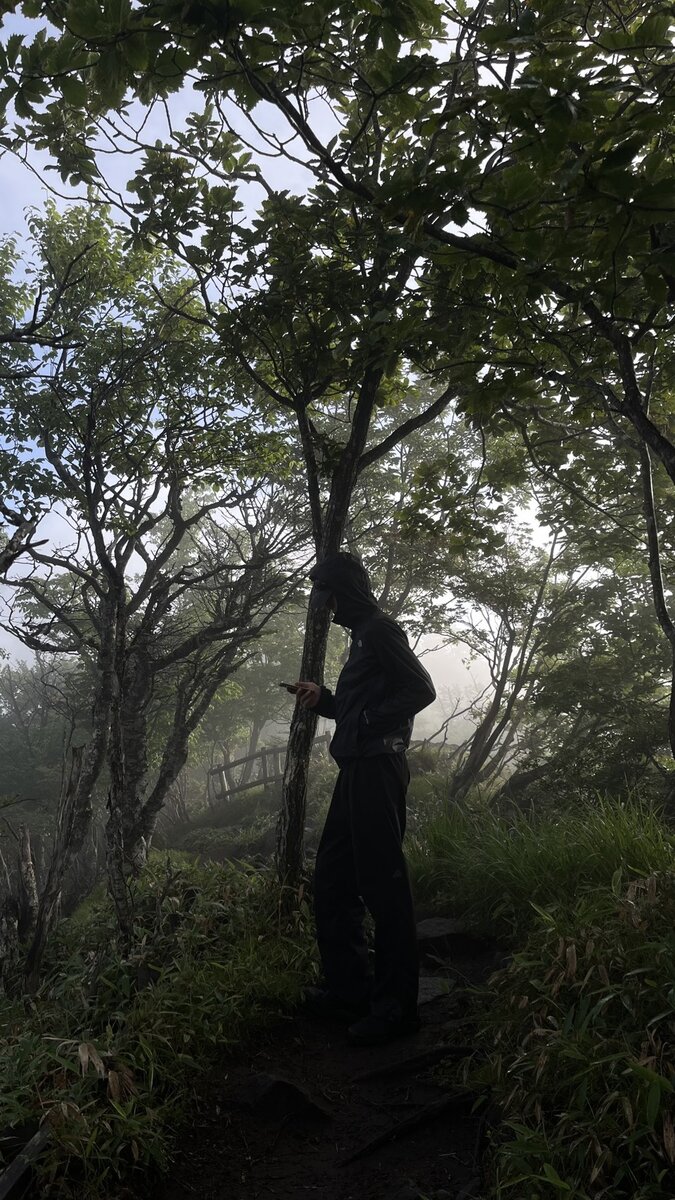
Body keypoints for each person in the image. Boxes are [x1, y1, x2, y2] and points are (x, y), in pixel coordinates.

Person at [293, 551, 436, 1046]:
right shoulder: (360, 640)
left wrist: (372, 724)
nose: (324, 604)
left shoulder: (379, 630)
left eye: (326, 593)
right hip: (356, 770)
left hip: (377, 770)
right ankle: (349, 991)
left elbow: (420, 688)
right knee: (334, 879)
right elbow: (361, 705)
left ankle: (397, 1010)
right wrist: (326, 700)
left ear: (346, 591)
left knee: (382, 886)